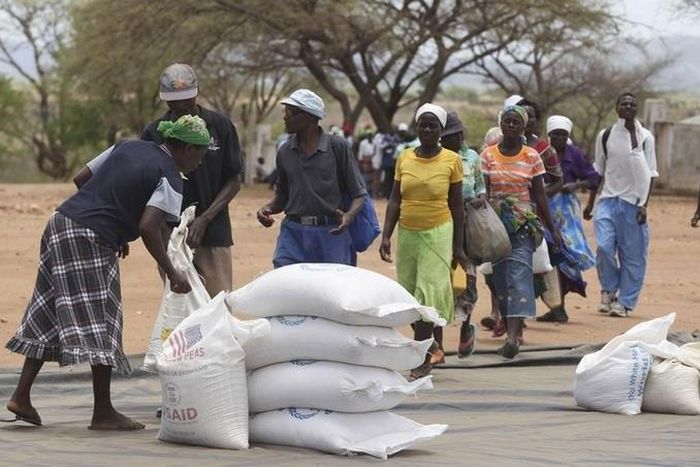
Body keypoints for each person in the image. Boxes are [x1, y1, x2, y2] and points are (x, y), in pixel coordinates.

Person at [4, 115, 209, 430]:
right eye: (200, 152)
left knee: (47, 311)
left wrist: (116, 225)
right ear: (184, 148)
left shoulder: (128, 146)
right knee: (105, 318)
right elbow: (149, 227)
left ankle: (21, 396)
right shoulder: (171, 175)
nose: (200, 161)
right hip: (90, 237)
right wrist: (173, 273)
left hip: (60, 223)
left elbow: (80, 177)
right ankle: (103, 412)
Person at [379, 103, 467, 379]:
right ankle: (431, 347)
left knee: (428, 292)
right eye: (423, 125)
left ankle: (423, 357)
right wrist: (386, 235)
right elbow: (395, 199)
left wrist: (459, 247)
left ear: (441, 130)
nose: (427, 130)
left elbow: (457, 206)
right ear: (416, 128)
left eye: (433, 126)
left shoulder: (451, 160)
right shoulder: (404, 158)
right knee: (411, 295)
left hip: (438, 230)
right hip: (408, 232)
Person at [140, 63, 243, 297]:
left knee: (217, 303)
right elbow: (145, 187)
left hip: (213, 233)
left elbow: (234, 179)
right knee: (180, 306)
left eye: (186, 102)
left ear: (196, 93)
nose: (181, 108)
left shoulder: (221, 126)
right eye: (173, 104)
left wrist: (205, 219)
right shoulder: (154, 132)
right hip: (170, 238)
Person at [481, 105, 561, 358]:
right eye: (508, 122)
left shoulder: (531, 157)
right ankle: (508, 329)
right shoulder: (488, 155)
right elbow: (484, 193)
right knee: (501, 278)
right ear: (501, 124)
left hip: (523, 224)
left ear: (524, 126)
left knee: (519, 276)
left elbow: (539, 195)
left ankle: (514, 337)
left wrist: (553, 230)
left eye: (517, 122)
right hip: (495, 225)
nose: (512, 126)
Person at [256, 89, 366, 267]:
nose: (285, 117)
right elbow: (282, 196)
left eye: (290, 112)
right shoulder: (284, 152)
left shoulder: (337, 147)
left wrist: (349, 216)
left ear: (309, 117)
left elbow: (359, 194)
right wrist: (267, 208)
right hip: (293, 233)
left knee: (331, 289)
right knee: (287, 283)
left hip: (331, 233)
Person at [584, 92, 658, 317]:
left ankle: (624, 302)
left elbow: (651, 174)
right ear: (616, 107)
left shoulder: (646, 137)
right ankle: (609, 290)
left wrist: (644, 205)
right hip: (607, 200)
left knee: (632, 255)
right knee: (604, 248)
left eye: (632, 104)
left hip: (633, 203)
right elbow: (599, 170)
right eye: (623, 103)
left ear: (637, 109)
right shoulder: (605, 135)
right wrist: (590, 203)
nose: (627, 106)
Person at [536, 116, 599, 323]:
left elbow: (594, 178)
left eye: (563, 135)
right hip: (544, 206)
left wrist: (575, 186)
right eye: (555, 134)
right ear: (549, 135)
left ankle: (559, 304)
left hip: (566, 210)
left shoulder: (575, 154)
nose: (559, 138)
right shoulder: (541, 152)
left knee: (565, 253)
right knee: (548, 254)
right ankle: (555, 305)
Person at [436, 111, 486, 359]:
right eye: (445, 137)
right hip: (438, 227)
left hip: (465, 231)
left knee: (465, 283)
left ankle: (466, 328)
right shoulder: (436, 157)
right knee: (439, 286)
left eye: (454, 136)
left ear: (461, 135)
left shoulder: (473, 159)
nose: (450, 141)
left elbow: (481, 191)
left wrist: (471, 202)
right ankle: (438, 345)